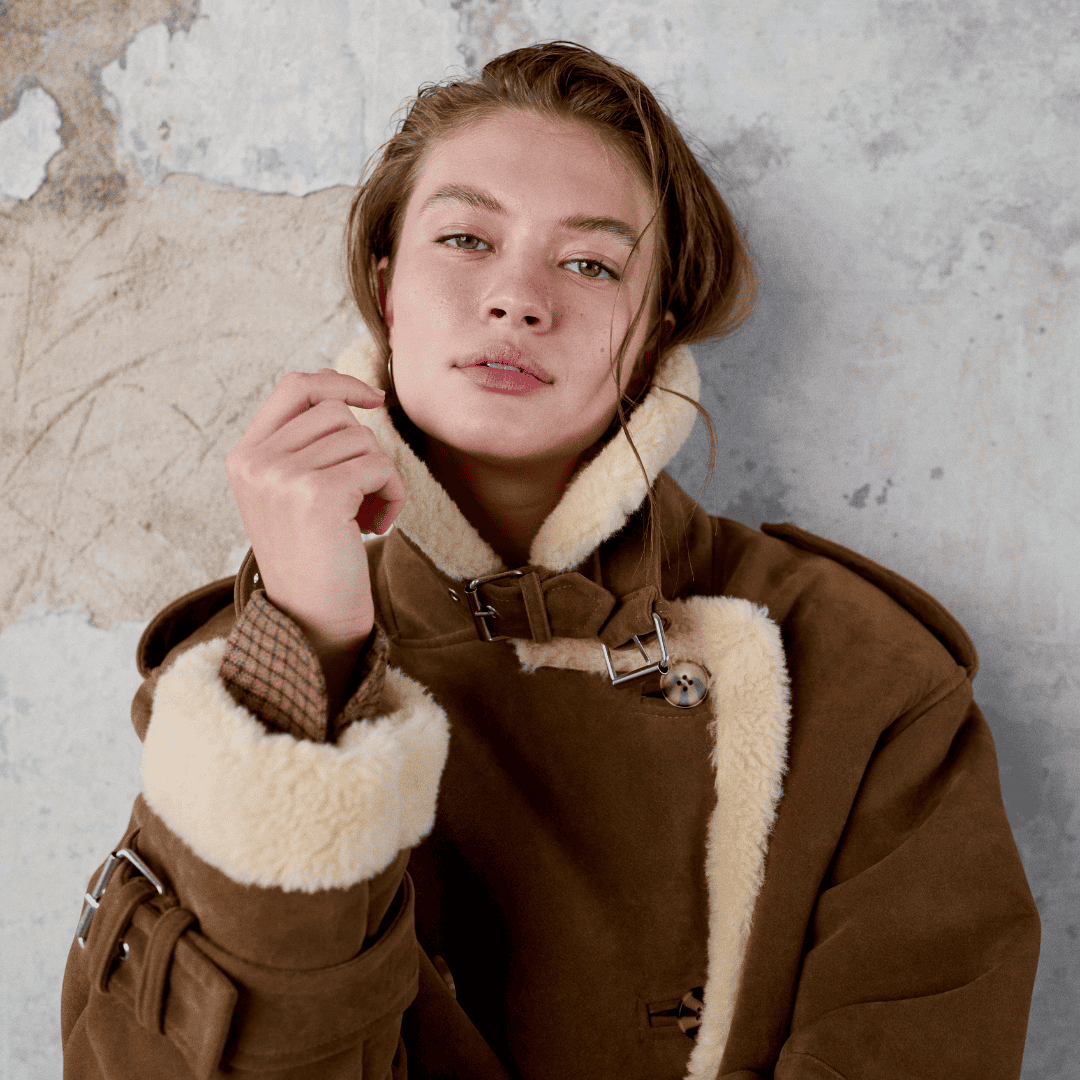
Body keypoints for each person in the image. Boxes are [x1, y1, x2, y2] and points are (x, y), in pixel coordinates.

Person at [61, 41, 1040, 1080]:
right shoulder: (233, 694)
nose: (518, 300)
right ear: (387, 283)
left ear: (655, 328)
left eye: (589, 263)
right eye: (467, 237)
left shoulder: (861, 672)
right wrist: (306, 652)